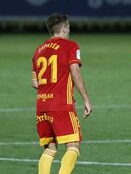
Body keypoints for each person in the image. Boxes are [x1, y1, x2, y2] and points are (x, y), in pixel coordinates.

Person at [32, 13, 92, 174]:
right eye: (69, 27)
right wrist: (86, 99)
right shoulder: (70, 46)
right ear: (65, 29)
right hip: (61, 105)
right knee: (73, 145)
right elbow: (75, 73)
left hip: (42, 105)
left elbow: (35, 82)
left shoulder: (38, 50)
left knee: (50, 148)